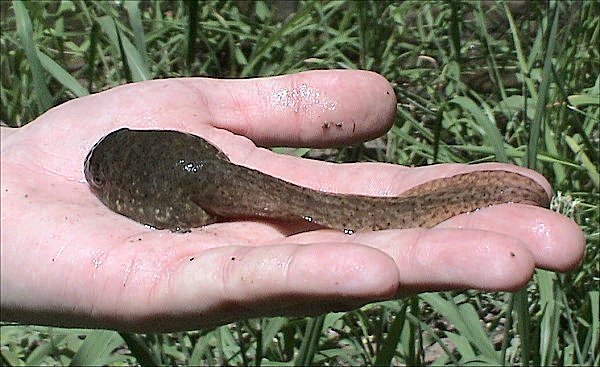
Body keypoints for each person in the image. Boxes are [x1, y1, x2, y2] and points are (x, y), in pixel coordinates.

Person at [0, 70, 585, 332]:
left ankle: (476, 197)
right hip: (200, 172)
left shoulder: (157, 171)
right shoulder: (150, 165)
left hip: (200, 173)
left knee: (329, 210)